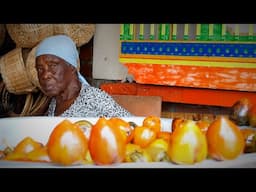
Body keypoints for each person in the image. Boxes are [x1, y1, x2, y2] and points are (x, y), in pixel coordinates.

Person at [35, 34, 133, 117]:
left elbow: (131, 125)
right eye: (40, 69)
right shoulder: (54, 103)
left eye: (53, 65)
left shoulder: (94, 98)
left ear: (72, 67)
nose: (45, 75)